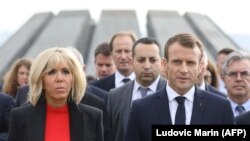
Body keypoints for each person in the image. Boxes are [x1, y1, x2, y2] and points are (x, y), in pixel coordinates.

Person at [124, 33, 234, 141]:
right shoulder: (141, 109)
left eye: (190, 63)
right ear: (164, 64)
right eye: (177, 62)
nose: (183, 70)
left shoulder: (220, 108)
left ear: (200, 67)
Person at [15, 47, 111, 141]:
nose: (60, 78)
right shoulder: (20, 117)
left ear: (74, 78)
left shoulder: (93, 117)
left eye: (66, 72)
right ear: (40, 79)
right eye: (51, 72)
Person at [107, 37, 166, 141]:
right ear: (132, 61)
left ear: (161, 62)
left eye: (152, 60)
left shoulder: (174, 93)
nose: (147, 66)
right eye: (141, 60)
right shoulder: (114, 96)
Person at [221, 50, 250, 117]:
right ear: (223, 79)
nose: (238, 79)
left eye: (244, 73)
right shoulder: (212, 111)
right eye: (232, 74)